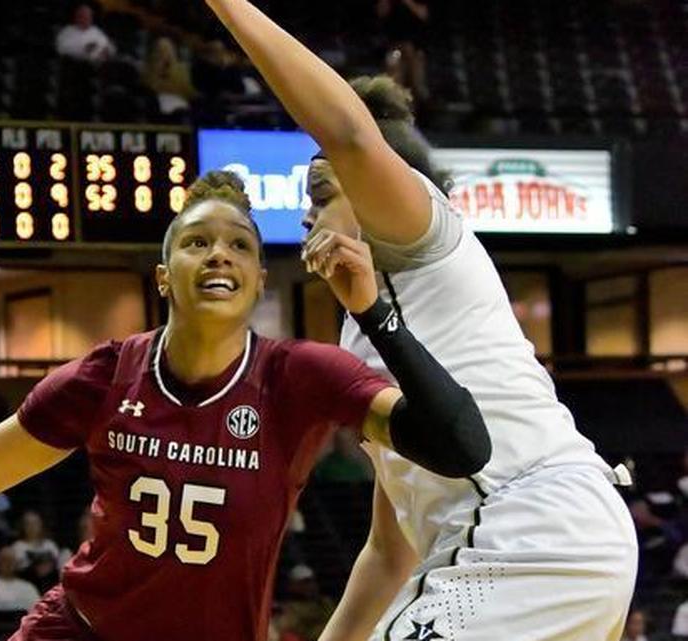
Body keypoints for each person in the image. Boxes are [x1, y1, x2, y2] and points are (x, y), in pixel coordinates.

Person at [0, 168, 492, 640]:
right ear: (163, 274)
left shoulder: (299, 376)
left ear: (256, 278)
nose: (221, 253)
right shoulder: (108, 376)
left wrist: (378, 314)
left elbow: (456, 440)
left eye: (241, 245)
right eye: (198, 241)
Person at [204, 2, 638, 638]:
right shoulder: (367, 328)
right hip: (554, 537)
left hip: (524, 528)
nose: (305, 216)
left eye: (321, 195)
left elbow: (351, 137)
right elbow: (389, 551)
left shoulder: (424, 233)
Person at [142, 37, 199, 117]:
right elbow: (150, 87)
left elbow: (188, 91)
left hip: (181, 105)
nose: (165, 54)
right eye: (160, 51)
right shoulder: (148, 69)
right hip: (158, 106)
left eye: (168, 50)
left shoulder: (181, 69)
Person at [0, 547, 41, 613]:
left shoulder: (28, 587)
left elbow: (36, 610)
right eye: (4, 560)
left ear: (17, 564)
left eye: (12, 561)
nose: (8, 564)